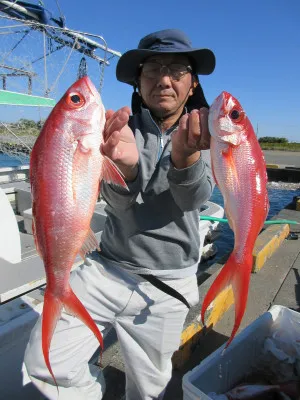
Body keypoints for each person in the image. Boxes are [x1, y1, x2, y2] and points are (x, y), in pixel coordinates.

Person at [24, 28, 216, 400]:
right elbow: (117, 204)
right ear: (137, 80)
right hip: (106, 267)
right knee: (46, 364)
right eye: (152, 69)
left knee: (149, 389)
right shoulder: (115, 130)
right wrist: (125, 170)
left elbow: (195, 199)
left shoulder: (206, 130)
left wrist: (186, 156)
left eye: (177, 70)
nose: (164, 79)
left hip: (166, 283)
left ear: (192, 85)